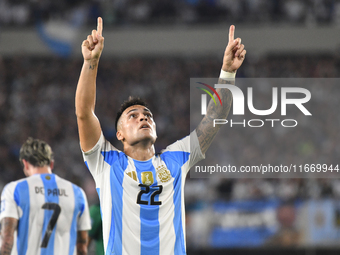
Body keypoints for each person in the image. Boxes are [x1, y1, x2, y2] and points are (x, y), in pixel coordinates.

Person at [75, 17, 246, 255]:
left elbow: (215, 119)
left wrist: (227, 72)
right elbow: (84, 113)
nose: (143, 117)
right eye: (132, 116)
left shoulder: (176, 159)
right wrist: (90, 63)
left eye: (147, 115)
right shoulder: (106, 162)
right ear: (119, 134)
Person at [0, 137, 91, 255]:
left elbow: (7, 238)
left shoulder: (14, 190)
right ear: (51, 164)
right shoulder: (77, 193)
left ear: (25, 164)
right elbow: (82, 246)